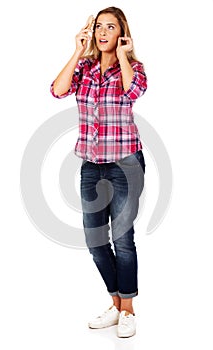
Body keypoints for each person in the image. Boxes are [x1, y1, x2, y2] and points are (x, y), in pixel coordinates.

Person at [50, 6, 147, 338]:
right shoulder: (85, 69)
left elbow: (133, 91)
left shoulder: (133, 68)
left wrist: (123, 56)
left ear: (121, 33)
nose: (104, 32)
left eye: (111, 27)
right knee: (95, 240)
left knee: (123, 239)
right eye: (99, 27)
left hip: (125, 165)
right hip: (91, 165)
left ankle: (129, 310)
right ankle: (117, 303)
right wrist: (77, 50)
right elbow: (58, 90)